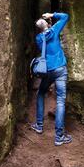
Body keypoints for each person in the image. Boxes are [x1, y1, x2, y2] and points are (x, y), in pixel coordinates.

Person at [31, 12, 72, 146]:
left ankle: (39, 125)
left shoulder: (38, 38)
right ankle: (59, 136)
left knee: (41, 93)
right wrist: (52, 14)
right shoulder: (54, 31)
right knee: (60, 100)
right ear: (48, 24)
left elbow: (43, 34)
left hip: (48, 71)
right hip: (60, 69)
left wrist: (46, 24)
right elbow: (65, 17)